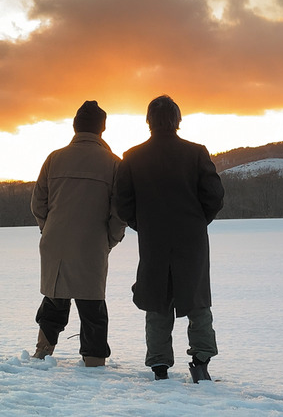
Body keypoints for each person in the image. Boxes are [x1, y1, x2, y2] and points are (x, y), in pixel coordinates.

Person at [115, 95, 225, 383]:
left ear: (148, 121)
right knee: (197, 300)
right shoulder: (196, 153)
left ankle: (159, 366)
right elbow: (215, 196)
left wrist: (143, 225)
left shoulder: (132, 157)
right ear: (177, 120)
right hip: (192, 240)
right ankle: (201, 362)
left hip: (154, 240)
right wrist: (198, 221)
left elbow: (122, 203)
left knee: (157, 301)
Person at [30, 100, 127, 367]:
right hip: (92, 245)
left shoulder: (54, 159)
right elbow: (119, 212)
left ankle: (42, 352)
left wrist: (48, 229)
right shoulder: (113, 164)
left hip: (55, 244)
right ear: (101, 129)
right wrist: (109, 240)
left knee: (54, 300)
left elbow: (38, 204)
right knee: (93, 307)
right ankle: (94, 363)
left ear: (75, 126)